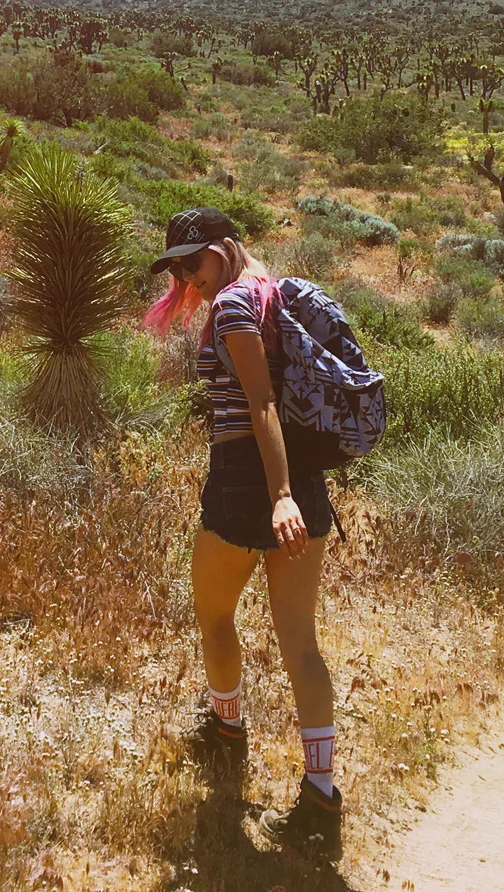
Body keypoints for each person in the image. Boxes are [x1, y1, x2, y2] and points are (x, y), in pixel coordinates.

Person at [145, 206, 341, 859]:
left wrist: (278, 496)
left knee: (213, 612)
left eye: (194, 261)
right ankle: (321, 794)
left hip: (244, 480)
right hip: (304, 479)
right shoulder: (273, 294)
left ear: (225, 248)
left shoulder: (232, 306)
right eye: (179, 267)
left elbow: (259, 405)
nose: (188, 277)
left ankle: (228, 732)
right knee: (300, 644)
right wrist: (294, 491)